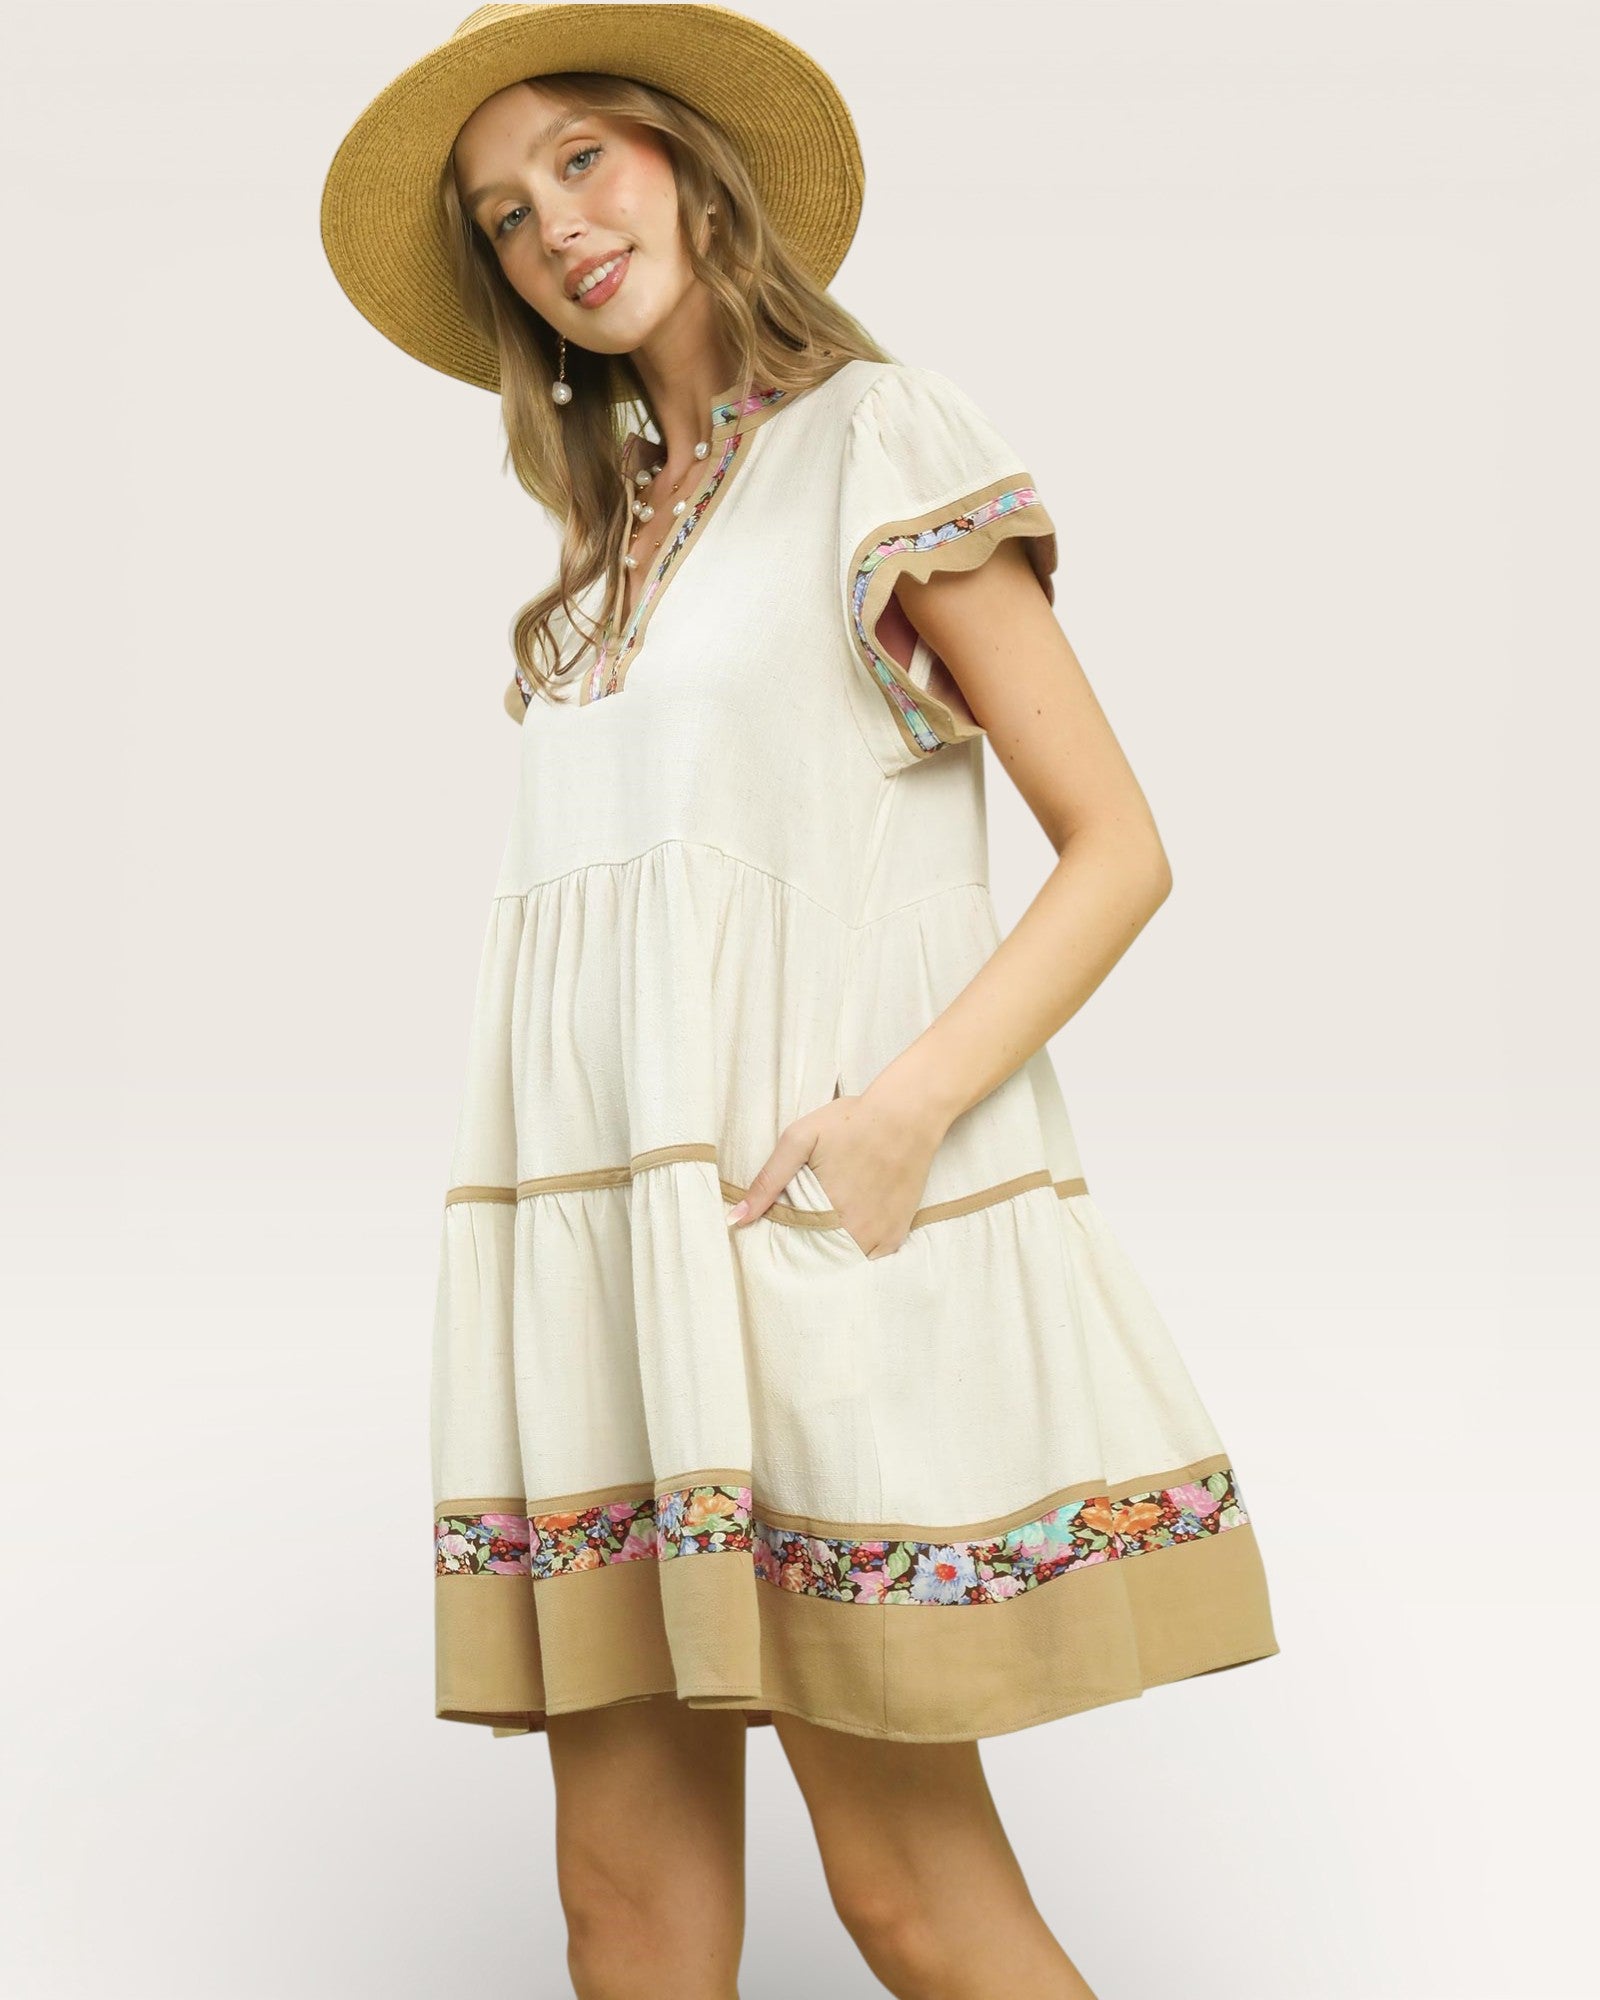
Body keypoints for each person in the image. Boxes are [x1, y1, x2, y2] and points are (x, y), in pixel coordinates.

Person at [321, 7, 1280, 1995]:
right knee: (624, 1911)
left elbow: (1116, 841)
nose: (556, 229)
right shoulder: (596, 570)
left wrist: (902, 1108)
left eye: (583, 158)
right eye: (505, 216)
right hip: (597, 1284)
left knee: (910, 1899)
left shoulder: (873, 434)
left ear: (682, 156)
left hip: (787, 1253)